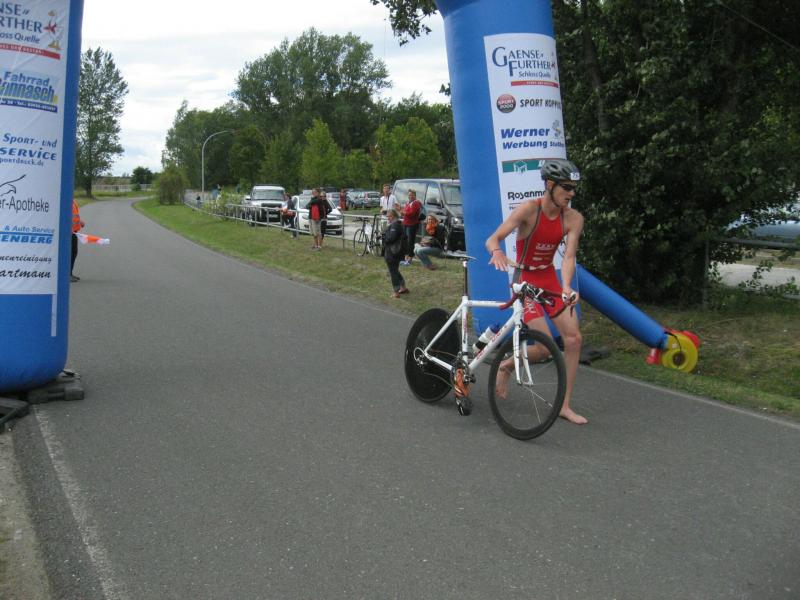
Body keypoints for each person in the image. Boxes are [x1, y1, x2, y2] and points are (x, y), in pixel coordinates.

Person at [485, 158, 586, 425]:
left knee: (574, 339)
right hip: (525, 279)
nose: (571, 194)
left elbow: (568, 257)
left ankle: (564, 405)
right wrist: (497, 252)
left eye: (574, 188)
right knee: (543, 348)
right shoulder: (530, 210)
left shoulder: (574, 218)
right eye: (566, 187)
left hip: (549, 279)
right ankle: (507, 365)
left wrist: (566, 286)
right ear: (550, 184)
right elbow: (493, 238)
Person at [382, 209, 409, 298]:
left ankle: (396, 291)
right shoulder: (399, 224)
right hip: (396, 251)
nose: (388, 218)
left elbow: (391, 238)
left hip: (392, 252)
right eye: (387, 217)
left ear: (393, 216)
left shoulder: (395, 225)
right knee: (395, 271)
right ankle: (403, 287)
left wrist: (384, 236)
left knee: (393, 272)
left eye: (389, 216)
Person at [400, 189, 423, 266]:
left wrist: (403, 212)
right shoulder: (408, 203)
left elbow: (411, 214)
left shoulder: (416, 203)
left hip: (412, 224)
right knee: (405, 241)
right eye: (409, 195)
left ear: (415, 196)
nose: (410, 196)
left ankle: (410, 258)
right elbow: (405, 212)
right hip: (405, 223)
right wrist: (402, 211)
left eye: (412, 195)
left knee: (410, 241)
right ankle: (405, 257)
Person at [70, 199, 84, 282]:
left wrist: (79, 221)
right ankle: (67, 275)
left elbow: (74, 215)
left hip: (74, 231)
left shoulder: (73, 200)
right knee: (70, 253)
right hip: (68, 232)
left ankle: (70, 273)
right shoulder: (67, 200)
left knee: (73, 252)